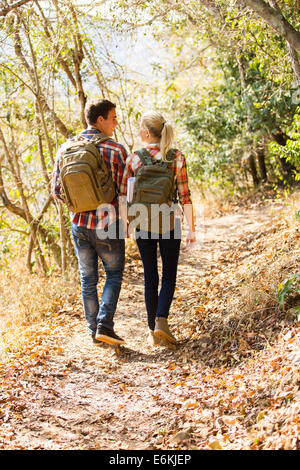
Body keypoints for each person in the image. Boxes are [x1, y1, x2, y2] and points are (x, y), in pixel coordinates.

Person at [51, 99, 128, 346]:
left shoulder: (65, 149)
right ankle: (104, 325)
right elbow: (127, 191)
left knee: (88, 279)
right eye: (113, 117)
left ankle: (93, 330)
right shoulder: (116, 150)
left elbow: (56, 191)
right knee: (114, 274)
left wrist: (80, 205)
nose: (116, 122)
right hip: (108, 223)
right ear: (100, 120)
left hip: (79, 225)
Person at [120, 111, 196, 348]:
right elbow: (185, 197)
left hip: (142, 223)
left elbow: (123, 196)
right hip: (169, 221)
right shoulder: (176, 157)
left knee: (150, 276)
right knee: (169, 274)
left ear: (145, 132)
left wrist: (126, 224)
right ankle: (162, 319)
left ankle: (153, 331)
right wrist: (192, 228)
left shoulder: (134, 159)